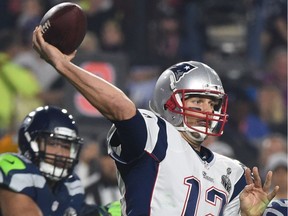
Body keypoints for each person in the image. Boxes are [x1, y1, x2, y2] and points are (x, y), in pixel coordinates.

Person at [32, 26, 279, 215]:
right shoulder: (157, 135)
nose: (207, 110)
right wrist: (63, 64)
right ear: (169, 101)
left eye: (213, 103)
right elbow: (119, 107)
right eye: (197, 101)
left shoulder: (233, 172)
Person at [0, 106, 119, 216]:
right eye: (52, 144)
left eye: (66, 146)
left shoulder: (70, 184)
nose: (60, 153)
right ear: (31, 142)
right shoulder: (15, 168)